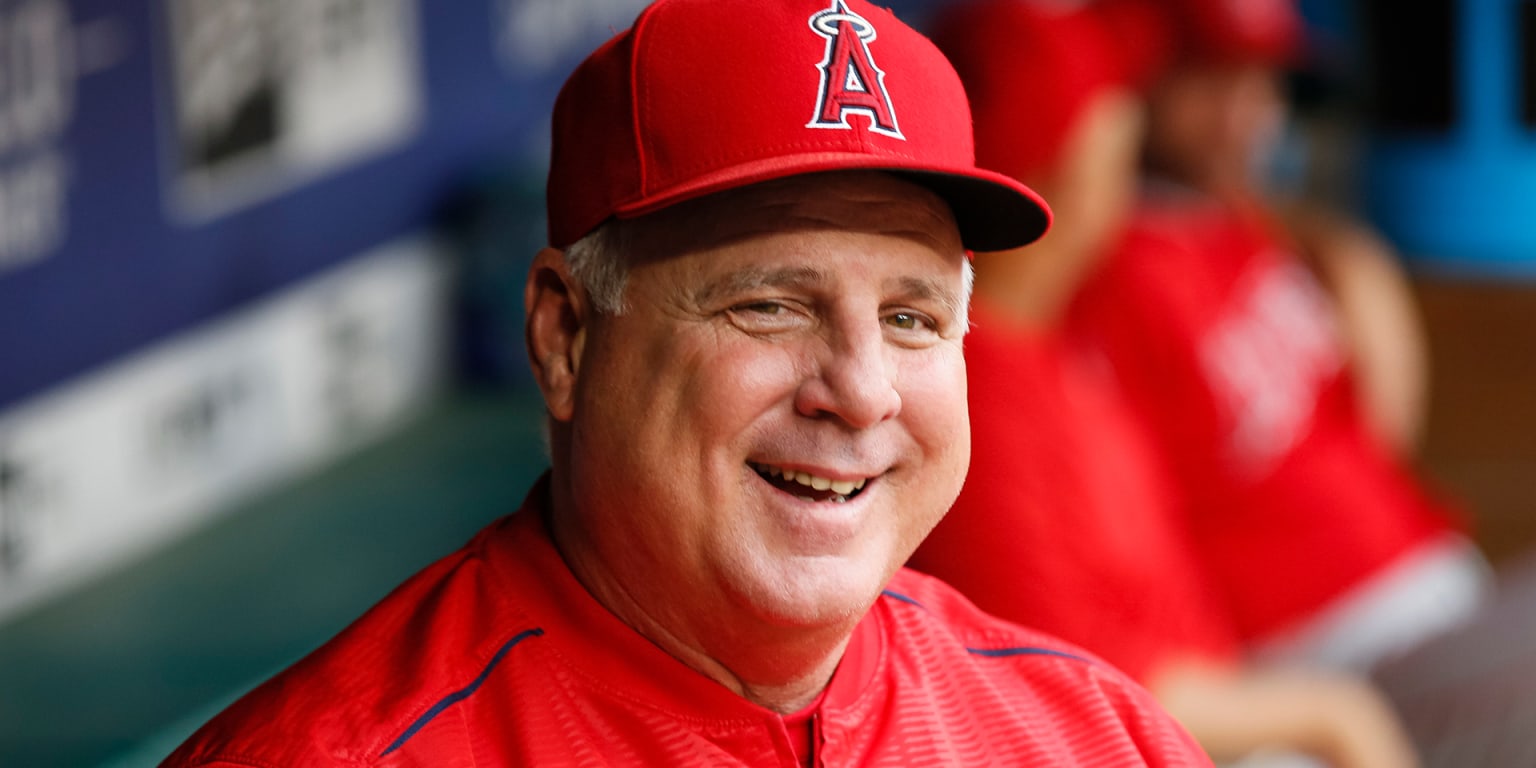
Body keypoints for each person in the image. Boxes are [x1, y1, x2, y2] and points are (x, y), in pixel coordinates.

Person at [159, 1, 1213, 765]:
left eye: (910, 319)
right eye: (771, 303)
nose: (859, 391)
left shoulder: (1093, 735)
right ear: (565, 335)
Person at [907, 3, 1419, 767]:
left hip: (1233, 706)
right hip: (1186, 735)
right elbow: (1069, 682)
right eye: (1114, 138)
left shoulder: (1046, 341)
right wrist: (1331, 716)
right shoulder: (976, 396)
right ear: (1068, 165)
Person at [1066, 0, 1490, 674]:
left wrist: (1345, 255)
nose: (1247, 113)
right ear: (1140, 80)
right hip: (1326, 646)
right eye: (1213, 77)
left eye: (1263, 82)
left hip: (1427, 580)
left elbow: (1372, 428)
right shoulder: (1101, 271)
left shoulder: (1246, 222)